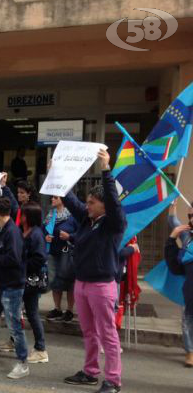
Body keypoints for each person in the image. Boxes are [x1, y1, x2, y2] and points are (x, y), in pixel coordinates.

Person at [61, 148, 126, 393]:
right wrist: (58, 175)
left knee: (107, 333)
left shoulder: (114, 223)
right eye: (87, 202)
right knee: (88, 332)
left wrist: (106, 169)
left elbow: (112, 199)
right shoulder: (87, 219)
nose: (86, 206)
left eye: (92, 202)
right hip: (82, 283)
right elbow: (70, 200)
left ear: (105, 206)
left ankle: (113, 380)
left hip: (102, 285)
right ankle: (90, 372)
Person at [0, 196, 29, 379]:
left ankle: (23, 362)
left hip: (12, 286)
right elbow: (2, 252)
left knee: (14, 326)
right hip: (1, 283)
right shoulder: (2, 229)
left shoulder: (12, 232)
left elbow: (13, 259)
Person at [20, 202, 49, 364]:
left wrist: (21, 265)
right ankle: (15, 341)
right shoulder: (24, 231)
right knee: (18, 311)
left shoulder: (36, 234)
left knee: (32, 312)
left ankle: (40, 348)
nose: (21, 216)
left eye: (23, 214)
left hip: (32, 280)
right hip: (23, 278)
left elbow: (40, 258)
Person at [166, 201, 193, 368]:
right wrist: (173, 205)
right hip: (190, 288)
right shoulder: (187, 235)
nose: (191, 219)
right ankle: (190, 351)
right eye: (190, 215)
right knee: (188, 319)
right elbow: (173, 222)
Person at [45, 196, 78, 323]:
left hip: (68, 253)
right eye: (51, 197)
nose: (52, 199)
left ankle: (69, 310)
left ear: (63, 200)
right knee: (54, 281)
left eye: (55, 197)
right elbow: (44, 230)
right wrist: (46, 236)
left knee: (69, 281)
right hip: (53, 253)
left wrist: (69, 236)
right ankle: (57, 308)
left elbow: (80, 233)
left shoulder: (72, 216)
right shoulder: (50, 215)